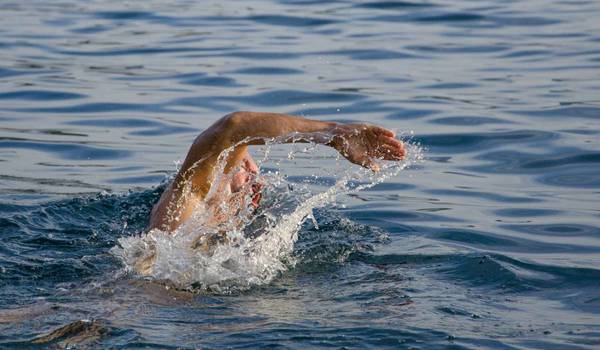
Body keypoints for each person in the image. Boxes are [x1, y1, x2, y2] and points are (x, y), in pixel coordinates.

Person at [148, 111, 406, 234]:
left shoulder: (208, 234)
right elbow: (233, 127)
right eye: (235, 162)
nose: (248, 168)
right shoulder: (182, 210)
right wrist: (335, 133)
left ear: (252, 197)